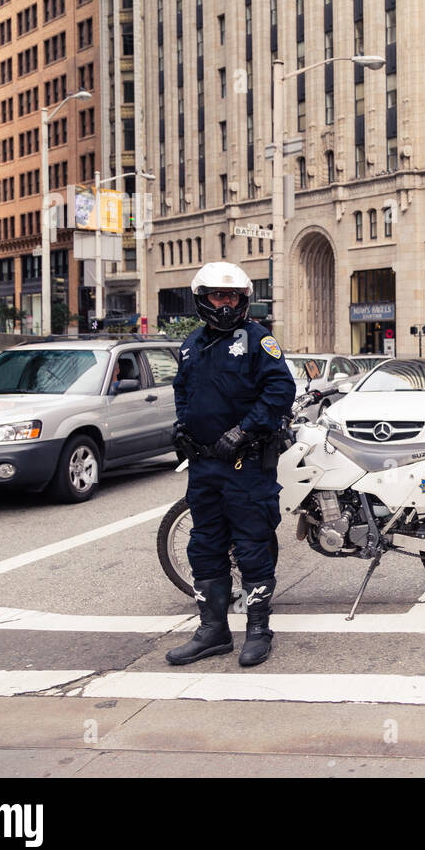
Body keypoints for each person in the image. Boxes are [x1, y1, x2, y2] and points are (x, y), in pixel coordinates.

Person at [166, 262, 297, 668]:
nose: (226, 304)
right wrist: (184, 426)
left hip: (247, 464)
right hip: (204, 466)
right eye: (218, 296)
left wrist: (244, 430)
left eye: (233, 297)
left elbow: (281, 390)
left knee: (252, 546)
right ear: (202, 299)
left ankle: (258, 631)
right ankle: (213, 632)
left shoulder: (259, 341)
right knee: (204, 546)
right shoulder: (191, 344)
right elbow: (183, 389)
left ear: (244, 300)